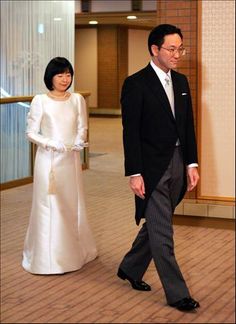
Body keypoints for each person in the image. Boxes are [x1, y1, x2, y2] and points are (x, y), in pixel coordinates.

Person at [117, 24, 200, 312]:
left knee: (157, 222)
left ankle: (130, 266)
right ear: (155, 49)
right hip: (151, 168)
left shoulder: (181, 82)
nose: (178, 54)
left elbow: (187, 125)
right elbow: (131, 132)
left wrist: (191, 162)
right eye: (172, 49)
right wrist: (135, 173)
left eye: (181, 48)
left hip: (178, 163)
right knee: (163, 231)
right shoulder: (135, 83)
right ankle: (177, 294)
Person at [22, 57, 97, 275]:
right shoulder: (40, 100)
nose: (65, 79)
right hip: (49, 162)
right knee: (49, 205)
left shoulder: (76, 100)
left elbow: (82, 126)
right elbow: (30, 132)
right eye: (60, 75)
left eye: (68, 75)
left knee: (72, 203)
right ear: (51, 77)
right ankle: (47, 258)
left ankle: (73, 251)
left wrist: (78, 141)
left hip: (71, 160)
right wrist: (49, 142)